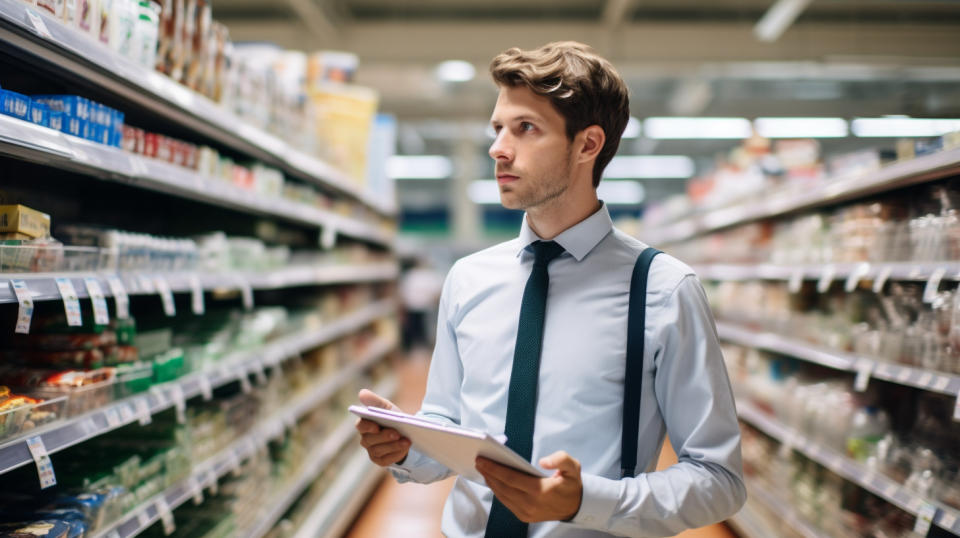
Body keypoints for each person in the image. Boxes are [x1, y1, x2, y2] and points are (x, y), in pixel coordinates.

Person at [355, 41, 746, 537]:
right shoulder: (468, 279)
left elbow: (719, 479)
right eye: (498, 128)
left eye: (526, 129)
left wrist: (588, 500)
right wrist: (411, 446)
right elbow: (449, 418)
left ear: (587, 145)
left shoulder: (664, 290)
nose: (498, 147)